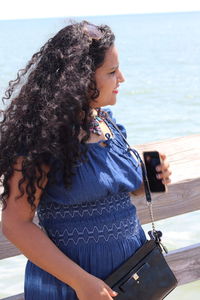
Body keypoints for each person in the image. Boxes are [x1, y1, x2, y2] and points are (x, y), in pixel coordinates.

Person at [0, 20, 171, 300]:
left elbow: (112, 194)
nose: (122, 79)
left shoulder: (107, 124)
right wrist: (81, 282)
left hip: (132, 275)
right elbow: (15, 224)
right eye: (112, 72)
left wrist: (150, 181)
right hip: (73, 285)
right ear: (81, 79)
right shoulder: (42, 140)